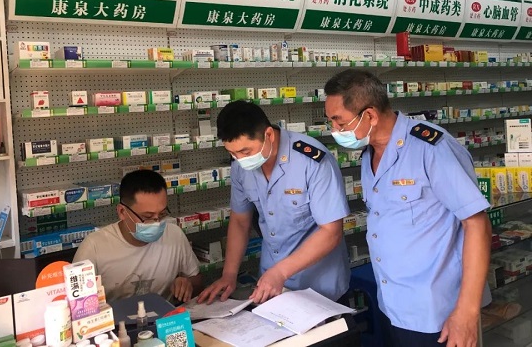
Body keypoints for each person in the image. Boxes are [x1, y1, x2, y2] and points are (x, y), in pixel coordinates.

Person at [324, 69, 491, 347]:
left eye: (339, 121)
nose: (334, 129)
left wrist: (467, 312)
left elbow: (476, 224)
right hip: (392, 304)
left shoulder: (431, 147)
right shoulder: (369, 153)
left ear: (370, 115)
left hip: (437, 312)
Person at [198, 100, 350, 305]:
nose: (240, 159)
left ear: (268, 135)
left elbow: (331, 232)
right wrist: (229, 274)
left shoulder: (312, 160)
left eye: (246, 152)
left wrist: (280, 272)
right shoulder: (240, 166)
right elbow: (240, 221)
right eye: (232, 153)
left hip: (318, 283)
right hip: (271, 282)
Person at [73, 170, 202, 302]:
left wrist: (188, 284)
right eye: (147, 217)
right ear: (122, 212)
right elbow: (77, 302)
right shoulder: (94, 246)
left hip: (165, 314)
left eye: (162, 214)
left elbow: (196, 280)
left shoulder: (174, 235)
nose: (157, 223)